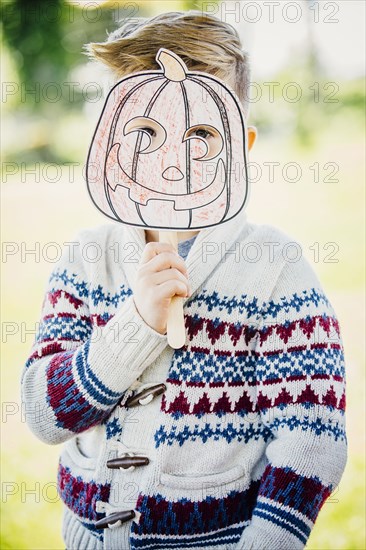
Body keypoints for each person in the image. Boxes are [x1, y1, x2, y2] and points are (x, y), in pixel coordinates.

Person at [20, 10, 347, 550]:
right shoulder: (87, 258)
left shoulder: (275, 268)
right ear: (110, 142)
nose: (172, 162)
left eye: (200, 134)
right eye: (145, 131)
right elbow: (42, 413)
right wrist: (135, 323)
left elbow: (311, 437)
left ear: (242, 145)